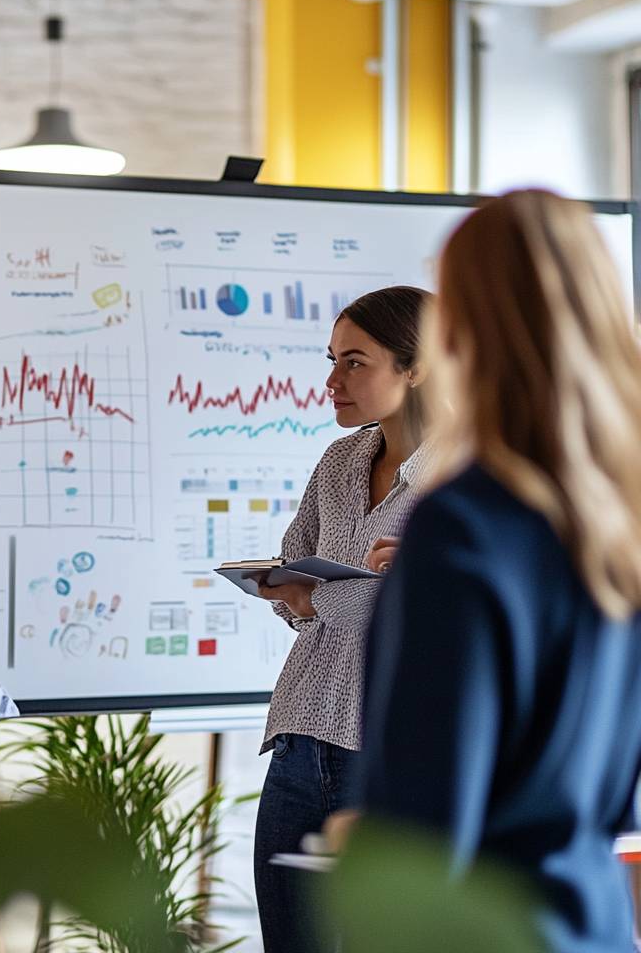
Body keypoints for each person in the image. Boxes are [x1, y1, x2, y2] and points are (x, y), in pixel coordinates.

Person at [358, 190, 641, 953]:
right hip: (599, 922)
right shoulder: (623, 523)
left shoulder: (463, 529)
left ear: (465, 331)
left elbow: (421, 840)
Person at [253, 285, 432, 953]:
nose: (332, 380)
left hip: (391, 752)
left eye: (354, 362)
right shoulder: (340, 460)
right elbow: (296, 561)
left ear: (415, 368)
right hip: (302, 736)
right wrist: (306, 595)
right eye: (332, 359)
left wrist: (321, 599)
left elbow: (433, 615)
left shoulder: (462, 475)